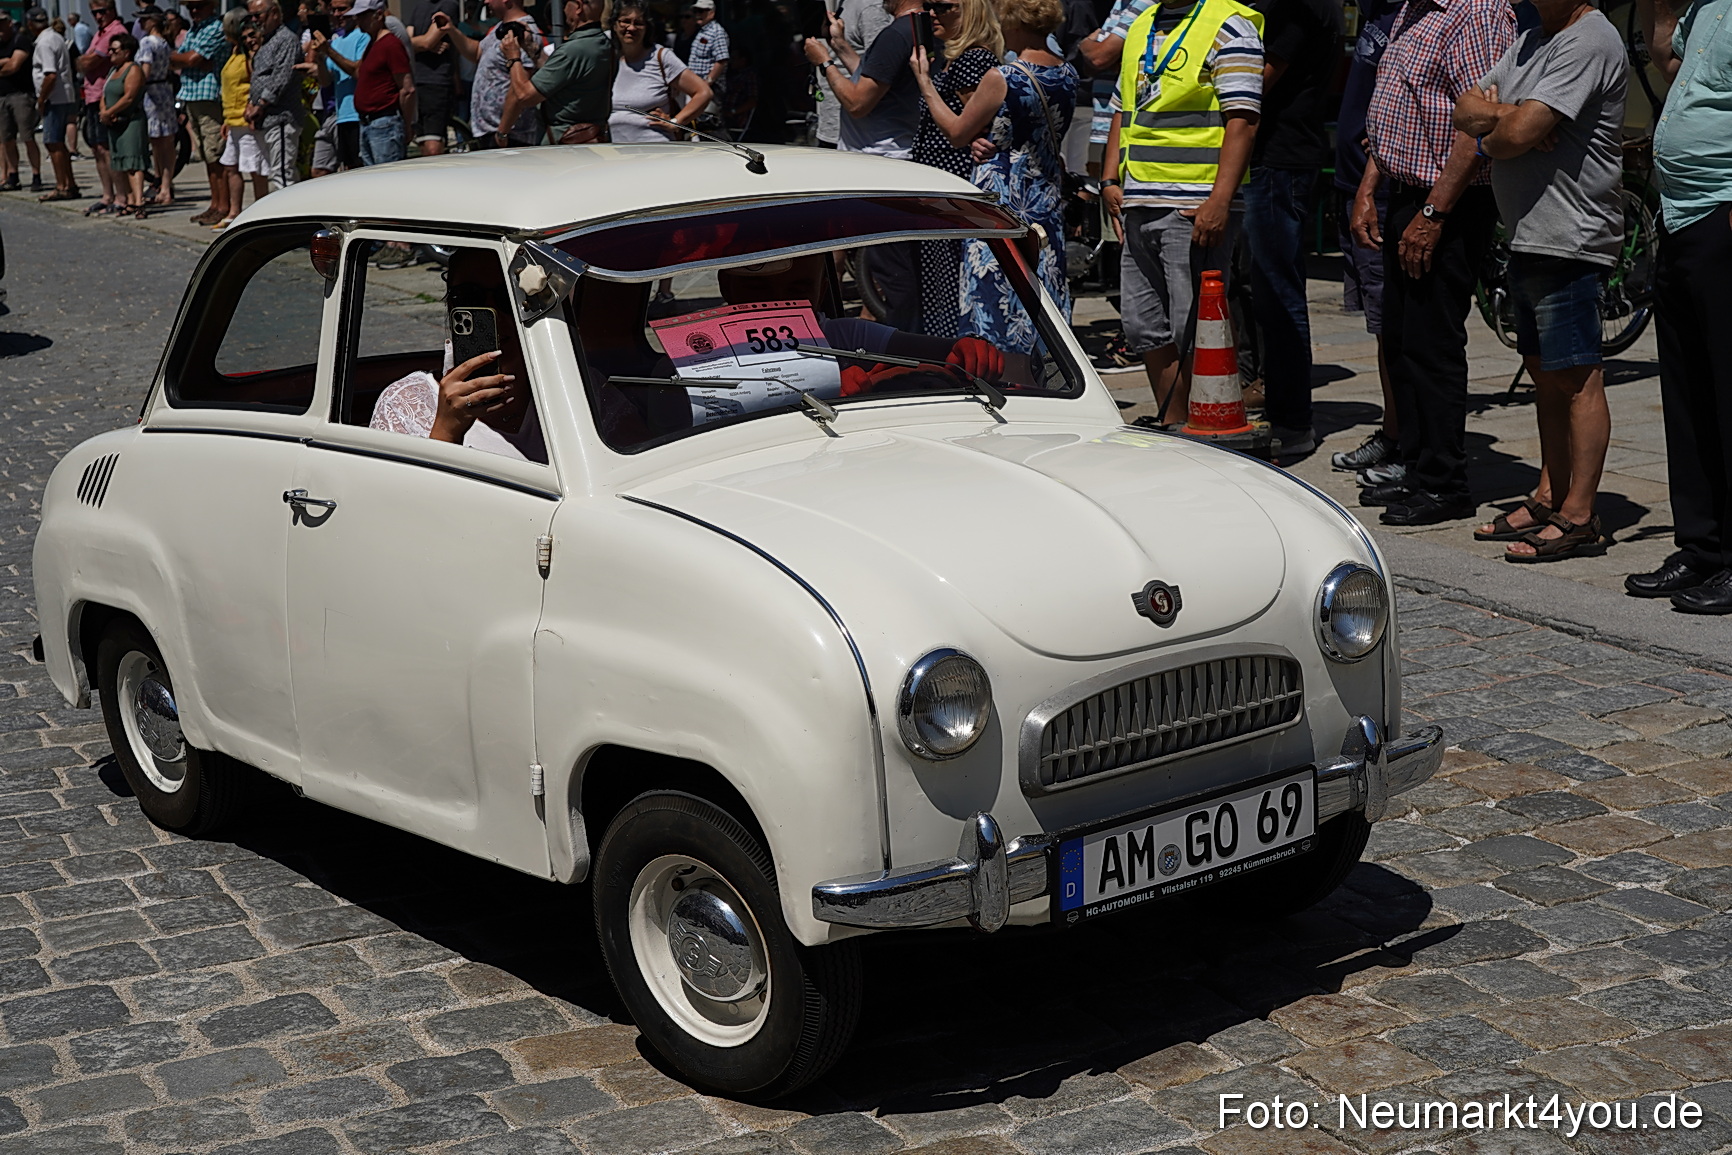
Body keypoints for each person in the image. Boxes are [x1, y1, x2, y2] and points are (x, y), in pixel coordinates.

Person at [1452, 0, 1623, 561]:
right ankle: (1550, 496)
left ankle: (1580, 515)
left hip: (1570, 236)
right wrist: (1508, 122)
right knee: (1543, 375)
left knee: (1576, 378)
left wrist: (1506, 124)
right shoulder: (1529, 39)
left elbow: (1511, 132)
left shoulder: (1588, 38)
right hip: (1529, 233)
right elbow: (1465, 109)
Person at [1350, 0, 1513, 525]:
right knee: (1402, 339)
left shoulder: (1477, 14)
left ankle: (1445, 483)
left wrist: (1433, 212)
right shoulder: (1413, 11)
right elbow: (1397, 107)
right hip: (1407, 192)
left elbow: (1480, 127)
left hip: (1448, 201)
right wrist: (1368, 187)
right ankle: (1417, 469)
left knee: (1433, 343)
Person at [1102, 0, 1264, 424]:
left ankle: (1206, 426)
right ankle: (1176, 425)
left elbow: (1243, 119)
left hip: (1193, 205)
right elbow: (1123, 107)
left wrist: (1220, 201)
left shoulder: (1228, 25)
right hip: (1140, 200)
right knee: (1142, 326)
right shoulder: (1142, 24)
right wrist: (1109, 180)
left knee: (1193, 329)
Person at [1626, 0, 1732, 607]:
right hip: (1682, 214)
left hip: (1721, 214)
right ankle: (1702, 546)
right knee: (1688, 392)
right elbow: (1670, 64)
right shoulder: (1705, 8)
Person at [1241, 0, 1342, 457]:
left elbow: (1256, 80)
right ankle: (1279, 404)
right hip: (1275, 159)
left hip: (1282, 159)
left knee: (1278, 294)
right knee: (1263, 289)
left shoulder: (1297, 6)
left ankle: (1293, 419)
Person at [960, 0, 1077, 349]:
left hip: (1003, 197)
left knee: (995, 287)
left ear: (1015, 22)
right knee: (1043, 284)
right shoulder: (1068, 74)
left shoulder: (1004, 77)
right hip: (1046, 196)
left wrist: (923, 82)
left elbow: (956, 131)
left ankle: (1000, 368)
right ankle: (1051, 366)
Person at [804, 0, 927, 329]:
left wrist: (825, 61)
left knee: (893, 272)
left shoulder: (893, 31)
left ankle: (909, 355)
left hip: (883, 164)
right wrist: (841, 45)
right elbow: (875, 77)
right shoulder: (909, 28)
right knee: (883, 263)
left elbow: (859, 101)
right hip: (879, 160)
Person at [371, 251, 548, 462]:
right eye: (468, 297)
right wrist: (446, 430)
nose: (492, 313)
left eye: (508, 297)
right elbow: (403, 493)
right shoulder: (405, 404)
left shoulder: (570, 386)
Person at [1329, 0, 1401, 475]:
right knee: (1381, 327)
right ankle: (1394, 431)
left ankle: (1405, 440)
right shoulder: (1376, 12)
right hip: (1352, 186)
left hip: (1386, 193)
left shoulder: (1414, 16)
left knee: (1396, 326)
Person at [908, 0, 1004, 337]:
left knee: (946, 278)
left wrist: (924, 82)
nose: (932, 13)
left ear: (971, 11)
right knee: (938, 277)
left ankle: (953, 355)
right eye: (930, 5)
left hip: (952, 183)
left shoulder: (974, 60)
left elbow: (970, 128)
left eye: (943, 6)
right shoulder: (955, 60)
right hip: (938, 182)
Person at [499, 0, 610, 144]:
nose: (562, 10)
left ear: (578, 7)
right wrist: (533, 50)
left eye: (564, 4)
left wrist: (513, 58)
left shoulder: (574, 50)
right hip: (592, 137)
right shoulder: (603, 44)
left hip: (562, 142)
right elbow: (561, 77)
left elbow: (525, 95)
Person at [438, 0, 546, 147]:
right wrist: (451, 30)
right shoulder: (500, 28)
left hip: (508, 136)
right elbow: (477, 52)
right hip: (491, 132)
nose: (486, 1)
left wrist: (503, 132)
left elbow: (518, 88)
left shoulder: (523, 32)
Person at [609, 1, 713, 142]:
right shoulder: (607, 59)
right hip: (613, 154)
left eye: (639, 23)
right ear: (615, 25)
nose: (631, 28)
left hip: (655, 153)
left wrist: (676, 122)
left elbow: (703, 92)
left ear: (647, 28)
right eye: (625, 21)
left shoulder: (661, 57)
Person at [173, 0, 231, 225]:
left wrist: (188, 60)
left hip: (209, 96)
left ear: (212, 6)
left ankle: (223, 206)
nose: (194, 11)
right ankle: (215, 204)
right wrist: (187, 60)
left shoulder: (216, 27)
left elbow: (190, 58)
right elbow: (184, 59)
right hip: (192, 94)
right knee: (207, 155)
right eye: (191, 7)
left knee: (216, 153)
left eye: (199, 6)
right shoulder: (195, 29)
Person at [814, 0, 893, 148]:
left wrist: (824, 62)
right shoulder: (841, 4)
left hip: (863, 138)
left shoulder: (870, 8)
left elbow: (881, 71)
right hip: (834, 126)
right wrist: (835, 43)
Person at [349, 0, 415, 164]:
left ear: (378, 15)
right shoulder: (372, 44)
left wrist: (406, 126)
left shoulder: (391, 44)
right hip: (368, 122)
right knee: (373, 182)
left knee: (387, 181)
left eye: (363, 15)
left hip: (385, 123)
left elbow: (407, 89)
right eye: (357, 16)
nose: (358, 20)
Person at [77, 0, 127, 216]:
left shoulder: (115, 31)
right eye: (94, 13)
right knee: (97, 149)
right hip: (91, 95)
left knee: (109, 150)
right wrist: (84, 61)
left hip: (106, 97)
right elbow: (81, 61)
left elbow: (88, 62)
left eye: (102, 12)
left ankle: (121, 196)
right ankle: (107, 195)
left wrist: (85, 61)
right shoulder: (99, 33)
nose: (98, 16)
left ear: (112, 10)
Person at [216, 9, 265, 227]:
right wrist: (226, 119)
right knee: (230, 166)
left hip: (247, 121)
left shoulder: (250, 55)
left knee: (255, 168)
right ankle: (235, 211)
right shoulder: (234, 52)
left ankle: (262, 211)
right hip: (233, 120)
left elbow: (255, 83)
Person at [308, 0, 368, 174]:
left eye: (342, 9)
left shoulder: (363, 37)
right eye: (333, 10)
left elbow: (357, 71)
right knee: (343, 170)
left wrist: (329, 52)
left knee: (359, 169)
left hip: (358, 115)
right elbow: (326, 81)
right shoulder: (336, 41)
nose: (336, 14)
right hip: (341, 116)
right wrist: (320, 58)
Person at [29, 7, 78, 201]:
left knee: (52, 142)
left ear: (31, 24)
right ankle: (70, 183)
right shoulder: (55, 37)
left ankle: (62, 185)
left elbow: (50, 74)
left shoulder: (45, 43)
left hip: (54, 98)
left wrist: (41, 99)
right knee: (59, 143)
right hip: (63, 95)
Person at [99, 32, 149, 216]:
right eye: (109, 49)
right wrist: (104, 111)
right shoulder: (113, 70)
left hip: (131, 122)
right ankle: (129, 200)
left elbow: (129, 97)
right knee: (121, 162)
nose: (110, 52)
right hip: (114, 124)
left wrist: (111, 112)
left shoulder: (133, 69)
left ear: (127, 52)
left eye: (114, 49)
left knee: (133, 162)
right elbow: (104, 94)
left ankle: (138, 201)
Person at [406, 0, 460, 153]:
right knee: (422, 143)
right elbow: (405, 40)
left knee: (433, 147)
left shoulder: (448, 5)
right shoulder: (419, 6)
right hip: (416, 80)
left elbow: (426, 42)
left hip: (436, 81)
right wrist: (422, 43)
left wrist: (422, 44)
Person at [134, 12, 176, 206]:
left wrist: (134, 88)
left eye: (144, 19)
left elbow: (146, 70)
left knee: (158, 143)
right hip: (165, 90)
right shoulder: (165, 43)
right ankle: (165, 185)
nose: (140, 23)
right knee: (166, 143)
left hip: (151, 92)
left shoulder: (147, 43)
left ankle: (163, 187)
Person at [0, 12, 44, 193]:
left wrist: (6, 63)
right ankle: (13, 175)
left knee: (27, 137)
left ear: (9, 23)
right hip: (1, 96)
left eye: (2, 22)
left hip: (20, 95)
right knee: (6, 139)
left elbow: (13, 66)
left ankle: (36, 175)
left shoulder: (21, 40)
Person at [686, 0, 731, 126]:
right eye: (696, 11)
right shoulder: (702, 31)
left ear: (711, 13)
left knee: (708, 123)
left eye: (701, 11)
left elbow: (721, 60)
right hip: (696, 87)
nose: (697, 14)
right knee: (695, 122)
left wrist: (707, 83)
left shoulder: (717, 32)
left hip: (710, 88)